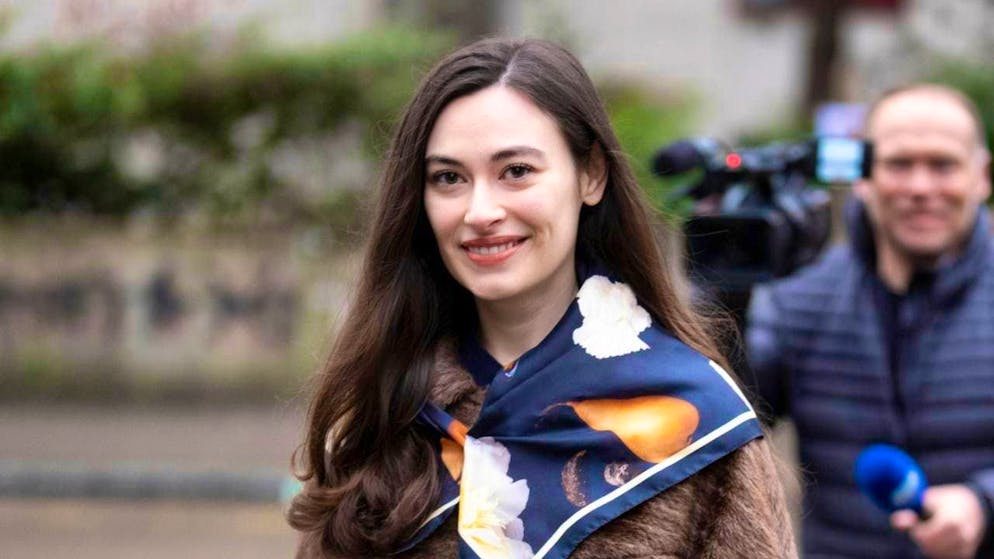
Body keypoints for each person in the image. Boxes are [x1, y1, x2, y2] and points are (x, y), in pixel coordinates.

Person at [288, 37, 796, 558]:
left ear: (591, 174)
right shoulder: (385, 407)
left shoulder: (698, 423)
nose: (480, 210)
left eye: (516, 171)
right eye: (449, 178)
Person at [747, 83, 994, 559]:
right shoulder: (801, 298)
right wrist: (724, 297)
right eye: (899, 164)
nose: (921, 188)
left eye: (943, 165)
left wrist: (983, 502)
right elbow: (720, 424)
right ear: (862, 173)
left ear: (982, 175)